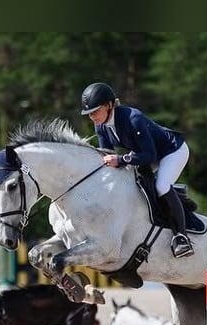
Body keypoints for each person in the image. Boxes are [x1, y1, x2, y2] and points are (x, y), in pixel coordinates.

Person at [80, 81, 194, 259]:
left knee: (161, 186)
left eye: (95, 111)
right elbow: (107, 154)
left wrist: (120, 159)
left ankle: (181, 237)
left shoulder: (133, 118)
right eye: (89, 113)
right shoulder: (100, 125)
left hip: (172, 151)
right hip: (145, 153)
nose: (92, 116)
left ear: (109, 105)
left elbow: (148, 155)